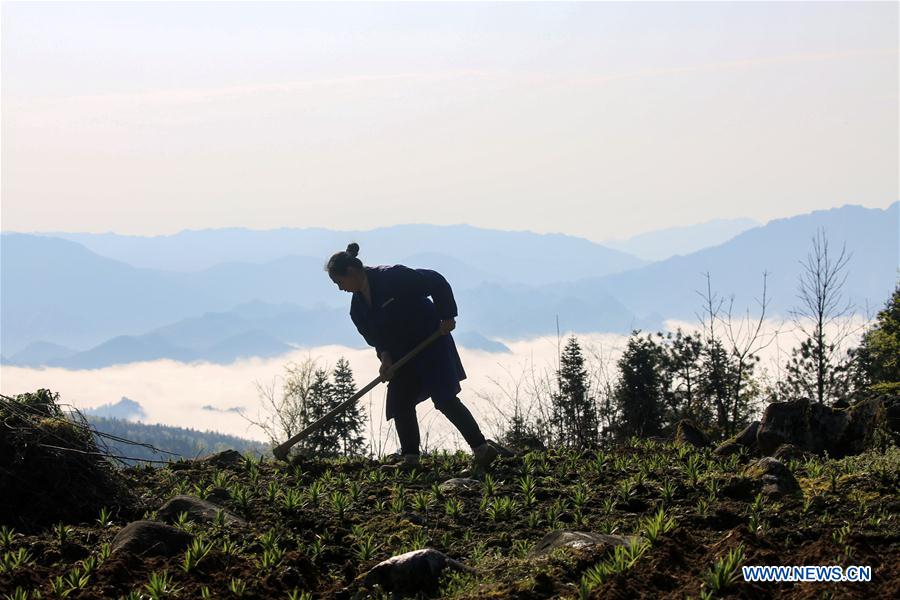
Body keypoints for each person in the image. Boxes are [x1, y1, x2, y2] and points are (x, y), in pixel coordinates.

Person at [325, 242, 499, 470]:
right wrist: (385, 358)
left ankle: (482, 449)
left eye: (340, 282)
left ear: (351, 272)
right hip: (401, 355)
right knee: (400, 401)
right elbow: (377, 338)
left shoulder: (393, 277)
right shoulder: (357, 308)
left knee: (444, 399)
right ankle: (410, 459)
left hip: (431, 343)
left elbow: (436, 281)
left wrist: (447, 315)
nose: (340, 289)